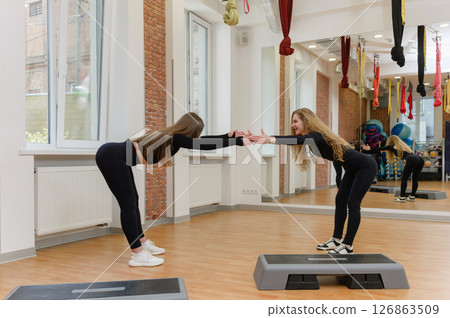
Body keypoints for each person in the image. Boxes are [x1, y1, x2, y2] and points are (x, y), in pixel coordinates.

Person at [96, 112, 246, 267]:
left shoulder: (175, 136)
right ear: (191, 130)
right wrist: (236, 141)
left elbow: (204, 140)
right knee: (128, 204)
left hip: (115, 157)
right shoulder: (176, 138)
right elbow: (203, 145)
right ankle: (138, 254)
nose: (198, 135)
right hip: (111, 157)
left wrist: (228, 136)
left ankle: (142, 243)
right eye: (198, 132)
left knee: (133, 201)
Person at [251, 108, 377, 255]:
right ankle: (336, 239)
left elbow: (298, 140)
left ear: (306, 121)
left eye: (295, 121)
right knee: (340, 199)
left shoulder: (316, 136)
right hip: (352, 168)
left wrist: (271, 139)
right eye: (292, 122)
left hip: (365, 166)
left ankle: (348, 246)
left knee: (353, 203)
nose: (293, 125)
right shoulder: (313, 138)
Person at [362, 135, 424, 202]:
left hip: (412, 159)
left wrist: (369, 149)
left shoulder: (391, 146)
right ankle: (412, 196)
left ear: (390, 141)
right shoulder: (404, 146)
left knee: (404, 178)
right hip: (420, 159)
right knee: (415, 178)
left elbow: (378, 149)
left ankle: (402, 197)